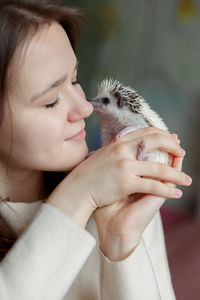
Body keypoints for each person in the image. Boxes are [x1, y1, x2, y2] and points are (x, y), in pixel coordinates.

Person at [0, 0, 192, 299]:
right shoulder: (96, 184)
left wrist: (122, 246)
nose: (85, 107)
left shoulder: (121, 193)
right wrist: (77, 195)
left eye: (75, 80)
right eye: (51, 100)